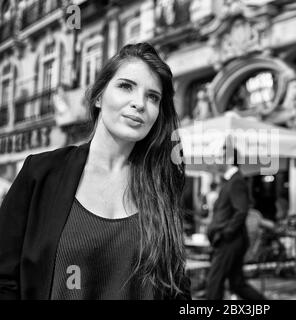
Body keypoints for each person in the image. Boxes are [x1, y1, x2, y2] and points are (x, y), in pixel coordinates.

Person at [0, 43, 190, 300]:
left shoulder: (161, 184)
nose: (140, 104)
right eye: (126, 86)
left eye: (152, 97)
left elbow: (177, 287)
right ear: (99, 96)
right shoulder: (41, 173)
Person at [206, 149, 266, 300]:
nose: (215, 160)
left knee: (214, 283)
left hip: (230, 241)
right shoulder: (231, 180)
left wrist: (226, 233)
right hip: (231, 239)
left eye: (219, 157)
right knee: (237, 284)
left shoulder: (236, 181)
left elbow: (241, 211)